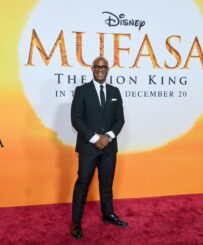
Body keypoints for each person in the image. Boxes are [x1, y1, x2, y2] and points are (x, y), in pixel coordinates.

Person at [70, 56, 127, 240]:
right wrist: (95, 138)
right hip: (88, 147)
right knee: (82, 184)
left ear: (108, 69)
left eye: (104, 67)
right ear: (92, 69)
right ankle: (76, 223)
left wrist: (108, 137)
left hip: (109, 148)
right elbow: (76, 119)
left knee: (107, 184)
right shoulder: (82, 91)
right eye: (97, 66)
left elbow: (120, 119)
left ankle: (108, 214)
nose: (100, 69)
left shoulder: (115, 91)